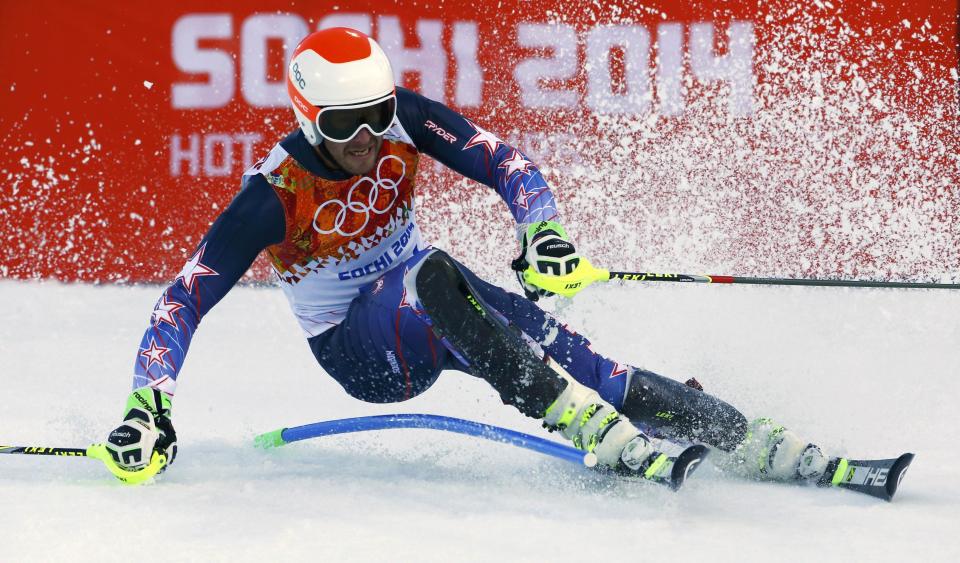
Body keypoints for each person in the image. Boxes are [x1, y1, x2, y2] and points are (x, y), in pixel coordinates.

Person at [103, 28, 828, 485]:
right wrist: (149, 403)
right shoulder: (272, 195)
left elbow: (504, 161)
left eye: (378, 113)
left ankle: (738, 431)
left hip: (439, 302)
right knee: (432, 273)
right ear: (306, 119)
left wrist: (542, 230)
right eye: (343, 123)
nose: (367, 137)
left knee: (578, 354)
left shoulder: (403, 123)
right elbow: (183, 297)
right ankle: (580, 421)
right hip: (361, 349)